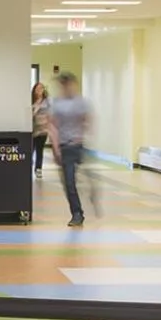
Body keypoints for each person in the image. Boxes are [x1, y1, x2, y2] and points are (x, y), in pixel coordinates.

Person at [49, 72, 98, 227]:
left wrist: (84, 134)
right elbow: (52, 125)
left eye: (68, 84)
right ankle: (77, 213)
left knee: (83, 175)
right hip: (64, 146)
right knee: (69, 183)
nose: (66, 88)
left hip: (77, 145)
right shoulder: (56, 103)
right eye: (63, 85)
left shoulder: (81, 102)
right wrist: (55, 147)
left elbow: (88, 119)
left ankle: (91, 190)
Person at [30, 81, 50, 175]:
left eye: (41, 88)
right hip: (32, 129)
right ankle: (29, 165)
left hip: (43, 130)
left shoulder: (47, 101)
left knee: (39, 149)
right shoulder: (31, 101)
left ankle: (38, 169)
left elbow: (51, 113)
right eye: (38, 88)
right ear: (34, 90)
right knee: (30, 148)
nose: (40, 90)